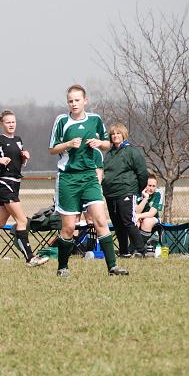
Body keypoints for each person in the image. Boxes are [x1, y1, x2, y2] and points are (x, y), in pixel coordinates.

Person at [47, 84, 128, 277]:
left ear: (85, 101)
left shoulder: (95, 120)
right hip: (68, 178)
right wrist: (67, 144)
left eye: (77, 100)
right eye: (70, 101)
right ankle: (63, 268)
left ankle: (112, 267)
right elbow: (52, 149)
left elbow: (109, 144)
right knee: (68, 227)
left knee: (100, 220)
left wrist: (100, 143)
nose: (74, 104)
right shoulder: (61, 121)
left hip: (90, 176)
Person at [0, 109, 49, 267]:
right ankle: (30, 258)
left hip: (15, 183)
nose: (11, 124)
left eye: (13, 122)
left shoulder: (19, 140)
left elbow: (16, 163)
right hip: (5, 184)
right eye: (8, 122)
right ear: (2, 124)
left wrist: (24, 157)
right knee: (21, 220)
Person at [102, 122, 149, 257]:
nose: (115, 136)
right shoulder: (109, 154)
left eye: (118, 133)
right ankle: (124, 252)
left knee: (128, 221)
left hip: (126, 191)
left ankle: (141, 250)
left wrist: (136, 189)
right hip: (110, 193)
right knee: (117, 224)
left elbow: (142, 173)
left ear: (124, 135)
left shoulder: (131, 152)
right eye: (113, 134)